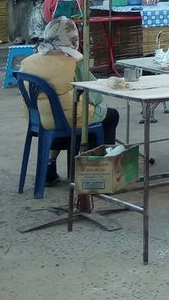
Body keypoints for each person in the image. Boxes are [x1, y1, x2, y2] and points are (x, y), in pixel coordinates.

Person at [19, 18, 120, 185]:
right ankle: (99, 172)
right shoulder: (73, 62)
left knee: (58, 113)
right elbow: (96, 95)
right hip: (67, 120)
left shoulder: (29, 61)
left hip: (38, 120)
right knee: (108, 116)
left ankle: (49, 167)